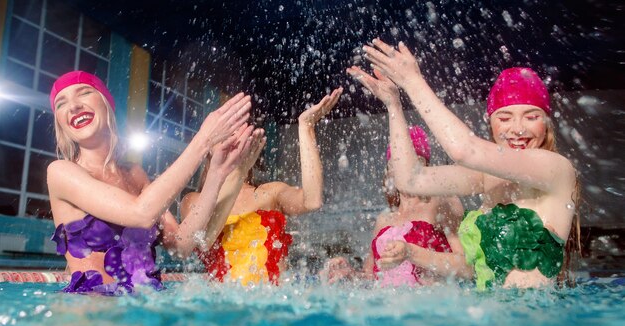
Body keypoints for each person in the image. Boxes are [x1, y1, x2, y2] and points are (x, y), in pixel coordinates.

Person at [349, 39, 579, 289]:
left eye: (531, 117)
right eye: (504, 117)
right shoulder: (486, 178)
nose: (517, 129)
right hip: (489, 319)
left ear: (546, 123)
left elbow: (464, 150)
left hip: (533, 321)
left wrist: (412, 81)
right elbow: (410, 179)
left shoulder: (556, 169)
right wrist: (394, 104)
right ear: (491, 122)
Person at [47, 70, 263, 295]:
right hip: (93, 317)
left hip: (143, 312)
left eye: (83, 92)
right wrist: (203, 140)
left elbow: (182, 245)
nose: (73, 106)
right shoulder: (61, 173)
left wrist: (218, 173)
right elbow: (140, 213)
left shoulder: (134, 174)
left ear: (106, 104)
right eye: (61, 103)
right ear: (61, 124)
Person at [182, 88, 343, 286]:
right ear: (209, 150)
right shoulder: (194, 201)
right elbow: (203, 241)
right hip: (223, 308)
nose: (232, 139)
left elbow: (313, 200)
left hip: (274, 302)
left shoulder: (269, 193)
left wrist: (306, 127)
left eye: (238, 131)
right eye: (225, 132)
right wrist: (238, 172)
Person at [325, 125, 467, 286]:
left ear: (425, 166)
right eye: (396, 163)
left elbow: (467, 267)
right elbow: (372, 277)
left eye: (412, 162)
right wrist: (350, 274)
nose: (402, 170)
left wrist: (411, 253)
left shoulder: (443, 202)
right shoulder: (384, 220)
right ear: (388, 170)